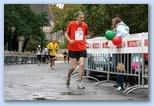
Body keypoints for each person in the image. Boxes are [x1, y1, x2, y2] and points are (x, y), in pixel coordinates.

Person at [65, 11, 89, 89]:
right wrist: (70, 40)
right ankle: (68, 77)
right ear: (77, 17)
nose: (82, 19)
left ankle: (79, 83)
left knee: (82, 65)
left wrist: (85, 43)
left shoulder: (85, 25)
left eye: (83, 17)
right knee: (74, 67)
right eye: (81, 17)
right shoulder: (71, 24)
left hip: (82, 48)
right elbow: (66, 33)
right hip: (73, 48)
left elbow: (85, 35)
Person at [111, 16, 131, 90]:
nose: (112, 23)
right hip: (126, 49)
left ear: (116, 22)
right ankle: (124, 83)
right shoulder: (125, 26)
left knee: (120, 66)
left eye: (113, 22)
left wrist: (116, 36)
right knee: (125, 66)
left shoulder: (119, 27)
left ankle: (120, 84)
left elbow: (123, 33)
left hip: (121, 49)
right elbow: (126, 34)